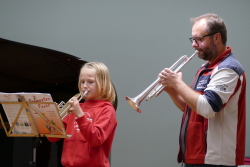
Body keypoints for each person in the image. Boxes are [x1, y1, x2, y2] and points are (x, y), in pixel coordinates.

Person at [159, 13, 246, 167]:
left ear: (217, 37)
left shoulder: (228, 69)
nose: (194, 44)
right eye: (193, 39)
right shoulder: (206, 67)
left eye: (199, 39)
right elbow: (194, 108)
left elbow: (208, 108)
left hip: (215, 159)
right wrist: (171, 90)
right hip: (195, 156)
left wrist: (178, 84)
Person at [47, 62, 118, 167]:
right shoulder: (75, 108)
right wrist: (52, 118)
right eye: (82, 82)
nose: (85, 86)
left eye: (90, 82)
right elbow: (53, 138)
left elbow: (96, 139)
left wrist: (80, 115)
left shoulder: (106, 109)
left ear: (103, 84)